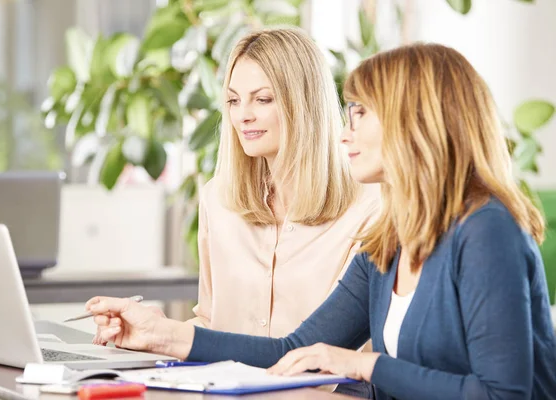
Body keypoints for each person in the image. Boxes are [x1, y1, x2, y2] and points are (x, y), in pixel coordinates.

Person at [88, 43, 556, 399]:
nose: (345, 129)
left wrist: (363, 366)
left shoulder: (486, 229)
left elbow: (501, 393)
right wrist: (158, 334)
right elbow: (294, 349)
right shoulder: (390, 239)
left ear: (416, 122)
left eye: (361, 112)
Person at [94, 27, 379, 359]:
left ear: (303, 103)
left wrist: (167, 336)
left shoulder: (369, 208)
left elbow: (316, 352)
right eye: (232, 100)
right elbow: (212, 323)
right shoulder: (219, 200)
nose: (243, 115)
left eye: (262, 99)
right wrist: (156, 330)